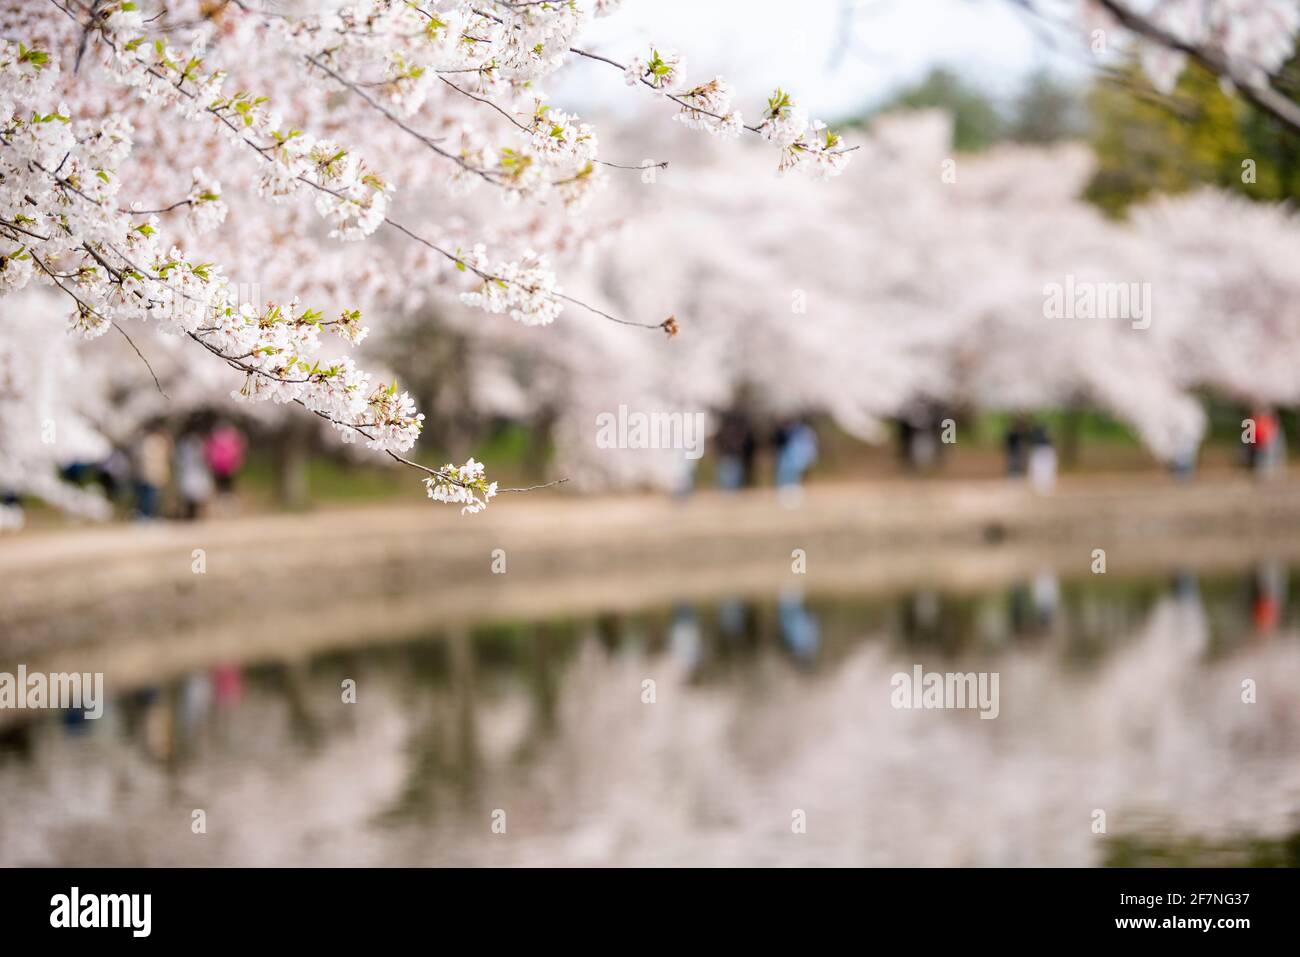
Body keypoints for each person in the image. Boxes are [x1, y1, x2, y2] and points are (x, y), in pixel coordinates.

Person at [204, 421, 247, 512]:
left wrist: (211, 464)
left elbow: (209, 451)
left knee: (221, 488)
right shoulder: (233, 436)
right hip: (230, 467)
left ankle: (221, 506)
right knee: (230, 488)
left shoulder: (214, 437)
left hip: (218, 467)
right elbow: (239, 450)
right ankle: (230, 507)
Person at [132, 425, 171, 520]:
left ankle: (150, 515)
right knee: (148, 496)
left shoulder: (158, 441)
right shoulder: (149, 442)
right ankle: (145, 515)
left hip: (154, 474)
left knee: (154, 497)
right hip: (149, 474)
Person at [774, 418, 817, 505]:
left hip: (796, 458)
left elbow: (808, 446)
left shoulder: (803, 432)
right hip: (790, 457)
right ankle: (785, 494)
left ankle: (792, 494)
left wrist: (809, 457)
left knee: (794, 476)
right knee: (785, 476)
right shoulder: (790, 433)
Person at [175, 431, 214, 520]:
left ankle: (197, 515)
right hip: (192, 473)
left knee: (197, 495)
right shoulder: (195, 445)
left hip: (194, 473)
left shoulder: (189, 445)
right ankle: (192, 515)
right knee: (193, 495)